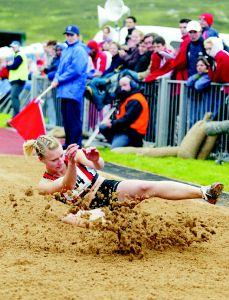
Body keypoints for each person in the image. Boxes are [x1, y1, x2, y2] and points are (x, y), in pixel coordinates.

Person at [23, 135, 224, 226]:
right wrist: (71, 164)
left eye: (61, 156)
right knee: (71, 219)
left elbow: (99, 164)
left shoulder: (73, 155)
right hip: (87, 209)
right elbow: (66, 185)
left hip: (107, 189)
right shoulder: (43, 184)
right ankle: (116, 222)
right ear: (41, 160)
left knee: (146, 186)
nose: (60, 162)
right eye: (54, 160)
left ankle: (204, 192)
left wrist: (94, 159)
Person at [51, 25, 88, 148]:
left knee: (73, 119)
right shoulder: (66, 49)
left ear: (77, 36)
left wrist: (59, 79)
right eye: (67, 34)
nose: (69, 37)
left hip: (74, 90)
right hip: (64, 90)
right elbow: (60, 68)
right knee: (66, 119)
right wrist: (56, 78)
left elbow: (76, 70)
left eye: (71, 35)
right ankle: (68, 143)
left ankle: (76, 144)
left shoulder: (80, 50)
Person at [99, 76, 149, 148]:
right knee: (103, 127)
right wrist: (111, 122)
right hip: (124, 129)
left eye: (125, 85)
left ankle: (132, 144)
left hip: (132, 133)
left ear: (132, 85)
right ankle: (119, 141)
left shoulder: (136, 100)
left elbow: (127, 120)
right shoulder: (127, 97)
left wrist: (112, 123)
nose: (122, 88)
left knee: (114, 149)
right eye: (121, 86)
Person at [7, 41, 29, 117]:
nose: (13, 48)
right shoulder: (17, 55)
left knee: (14, 97)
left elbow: (14, 66)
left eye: (14, 47)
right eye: (12, 47)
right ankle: (15, 117)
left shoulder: (20, 55)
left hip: (18, 80)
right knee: (14, 98)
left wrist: (9, 65)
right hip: (17, 80)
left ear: (18, 47)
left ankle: (16, 117)